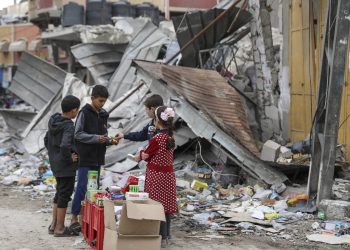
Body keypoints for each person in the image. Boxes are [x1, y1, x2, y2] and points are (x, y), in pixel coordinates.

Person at [70, 85, 116, 232]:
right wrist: (97, 138)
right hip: (85, 157)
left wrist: (110, 140)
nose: (102, 104)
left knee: (94, 189)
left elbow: (103, 135)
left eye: (104, 101)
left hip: (97, 158)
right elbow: (77, 134)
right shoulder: (84, 112)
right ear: (92, 98)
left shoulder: (103, 114)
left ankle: (88, 217)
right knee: (82, 187)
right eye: (100, 101)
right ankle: (74, 217)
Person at [135, 106, 177, 248]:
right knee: (166, 206)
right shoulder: (171, 136)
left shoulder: (157, 138)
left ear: (157, 119)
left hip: (157, 176)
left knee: (157, 207)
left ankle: (162, 237)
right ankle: (167, 236)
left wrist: (139, 153)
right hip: (168, 176)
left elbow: (146, 156)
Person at [45, 95, 80, 237]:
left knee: (59, 193)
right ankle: (60, 228)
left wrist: (55, 155)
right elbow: (66, 145)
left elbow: (46, 139)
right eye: (77, 110)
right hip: (66, 167)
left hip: (55, 164)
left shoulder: (53, 120)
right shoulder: (68, 125)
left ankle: (54, 225)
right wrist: (69, 158)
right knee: (64, 195)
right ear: (73, 110)